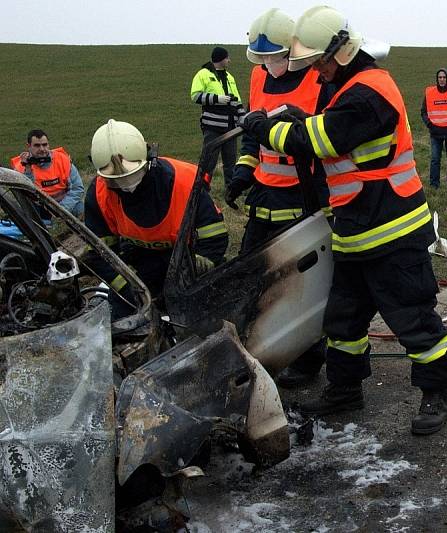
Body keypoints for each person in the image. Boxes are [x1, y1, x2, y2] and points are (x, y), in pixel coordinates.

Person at [240, 5, 447, 436]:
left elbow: (321, 138)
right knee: (343, 321)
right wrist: (295, 122)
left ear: (338, 53)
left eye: (318, 62)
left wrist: (265, 128)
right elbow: (323, 128)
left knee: (412, 317)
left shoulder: (371, 90)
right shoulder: (346, 87)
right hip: (355, 230)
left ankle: (436, 393)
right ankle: (344, 389)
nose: (315, 71)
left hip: (392, 230)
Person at [226, 8, 334, 388]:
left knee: (303, 280)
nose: (269, 65)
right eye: (263, 58)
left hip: (306, 193)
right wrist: (242, 171)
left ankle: (309, 359)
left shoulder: (317, 79)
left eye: (275, 57)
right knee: (251, 273)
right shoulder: (258, 75)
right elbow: (253, 130)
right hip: (265, 193)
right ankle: (252, 351)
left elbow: (321, 138)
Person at [84, 120, 228, 317]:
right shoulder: (99, 195)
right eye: (117, 183)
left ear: (149, 158)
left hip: (186, 259)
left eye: (133, 178)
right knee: (119, 317)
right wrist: (129, 288)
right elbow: (99, 253)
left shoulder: (184, 182)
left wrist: (198, 267)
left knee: (206, 312)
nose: (127, 187)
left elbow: (215, 237)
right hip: (140, 260)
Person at [190, 46, 245, 187]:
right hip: (213, 127)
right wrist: (216, 98)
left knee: (230, 161)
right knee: (209, 161)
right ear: (221, 58)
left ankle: (231, 191)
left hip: (231, 127)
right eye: (227, 58)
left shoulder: (229, 77)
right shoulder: (203, 74)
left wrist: (242, 117)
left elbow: (236, 100)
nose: (229, 60)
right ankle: (201, 189)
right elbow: (195, 96)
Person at [10, 129, 85, 217]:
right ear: (28, 146)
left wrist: (61, 209)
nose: (42, 149)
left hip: (65, 205)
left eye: (44, 145)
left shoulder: (62, 160)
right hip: (39, 208)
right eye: (37, 145)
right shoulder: (21, 167)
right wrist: (28, 169)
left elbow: (78, 189)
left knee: (82, 210)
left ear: (48, 145)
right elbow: (27, 197)